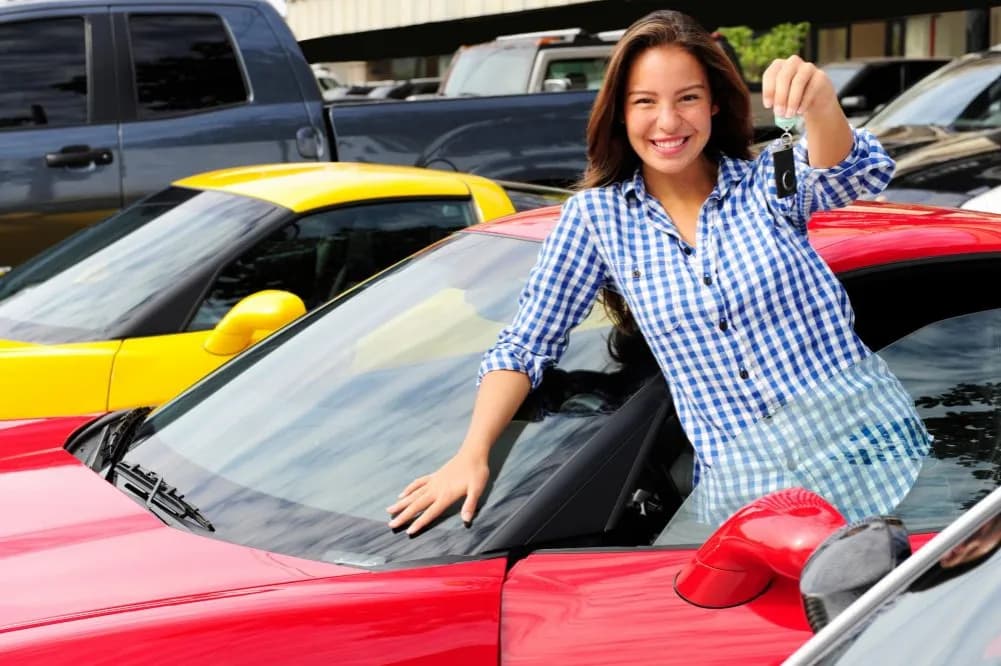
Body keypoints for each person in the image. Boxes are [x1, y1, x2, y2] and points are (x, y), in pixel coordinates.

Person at [387, 9, 931, 536]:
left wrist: (818, 102)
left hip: (881, 461)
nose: (668, 122)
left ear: (714, 103)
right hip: (758, 503)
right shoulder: (597, 219)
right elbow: (524, 347)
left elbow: (853, 173)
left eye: (687, 98)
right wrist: (471, 453)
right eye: (645, 101)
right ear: (620, 113)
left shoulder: (765, 183)